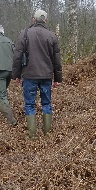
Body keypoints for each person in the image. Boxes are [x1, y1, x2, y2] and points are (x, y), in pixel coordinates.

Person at [12, 9, 63, 138]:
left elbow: (17, 56)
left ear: (33, 19)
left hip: (29, 75)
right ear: (45, 20)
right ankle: (47, 134)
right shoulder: (52, 36)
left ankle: (32, 135)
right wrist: (58, 78)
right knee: (47, 103)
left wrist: (16, 75)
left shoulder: (24, 34)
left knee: (30, 104)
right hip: (46, 75)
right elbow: (56, 60)